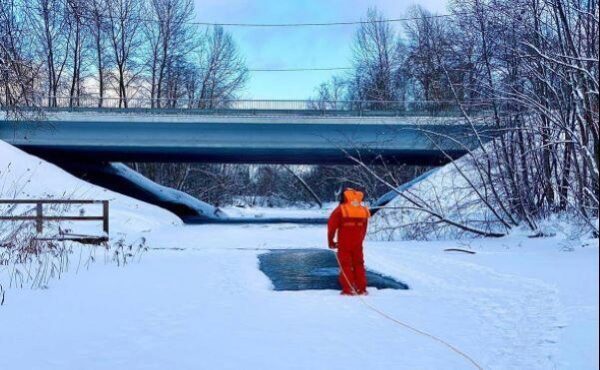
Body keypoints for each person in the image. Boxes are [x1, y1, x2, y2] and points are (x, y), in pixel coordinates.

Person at [327, 188, 370, 295]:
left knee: (345, 265)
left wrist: (331, 241)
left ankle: (348, 289)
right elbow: (364, 229)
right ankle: (362, 288)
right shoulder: (363, 210)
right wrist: (360, 240)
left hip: (344, 242)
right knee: (359, 264)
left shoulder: (340, 210)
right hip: (358, 242)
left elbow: (331, 228)